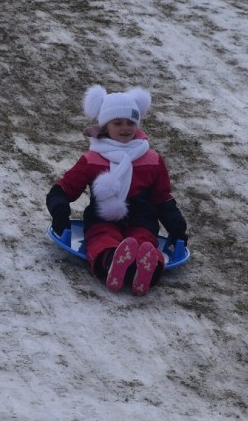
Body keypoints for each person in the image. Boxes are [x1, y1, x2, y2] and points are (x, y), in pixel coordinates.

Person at [46, 85, 188, 295]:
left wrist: (177, 226)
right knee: (102, 238)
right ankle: (112, 261)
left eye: (131, 122)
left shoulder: (152, 160)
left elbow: (162, 198)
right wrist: (59, 211)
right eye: (117, 122)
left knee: (144, 240)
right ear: (105, 126)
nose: (125, 127)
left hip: (142, 219)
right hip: (102, 219)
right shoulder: (92, 159)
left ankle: (148, 267)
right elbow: (65, 188)